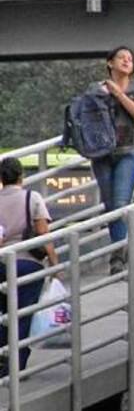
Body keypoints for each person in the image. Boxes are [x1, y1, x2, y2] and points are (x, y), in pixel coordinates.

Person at [88, 46, 134, 274]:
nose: (126, 61)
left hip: (129, 153)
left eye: (129, 59)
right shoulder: (96, 88)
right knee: (110, 206)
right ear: (110, 63)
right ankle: (121, 249)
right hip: (102, 154)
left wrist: (119, 94)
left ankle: (117, 256)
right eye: (121, 58)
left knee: (121, 203)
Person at [0, 157, 59, 373]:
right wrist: (54, 263)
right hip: (28, 263)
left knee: (4, 314)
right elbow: (43, 233)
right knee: (23, 315)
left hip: (1, 264)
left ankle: (3, 358)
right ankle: (17, 366)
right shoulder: (32, 198)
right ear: (21, 176)